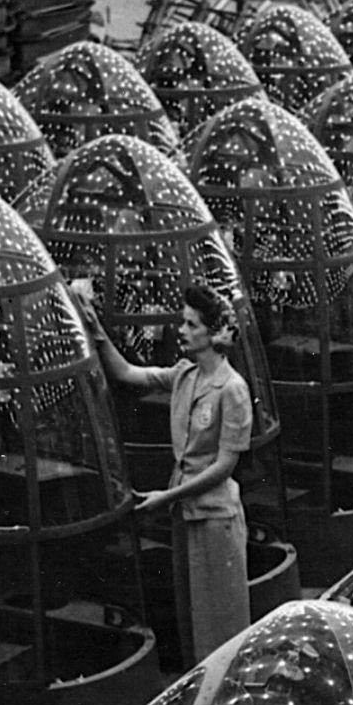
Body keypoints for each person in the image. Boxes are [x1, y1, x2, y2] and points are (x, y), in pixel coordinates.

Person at [81, 282, 253, 666]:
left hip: (215, 520)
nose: (182, 330)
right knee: (193, 618)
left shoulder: (233, 390)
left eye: (191, 325)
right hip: (186, 514)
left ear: (212, 334)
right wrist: (95, 330)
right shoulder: (185, 375)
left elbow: (224, 467)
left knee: (220, 624)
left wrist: (166, 497)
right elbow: (126, 374)